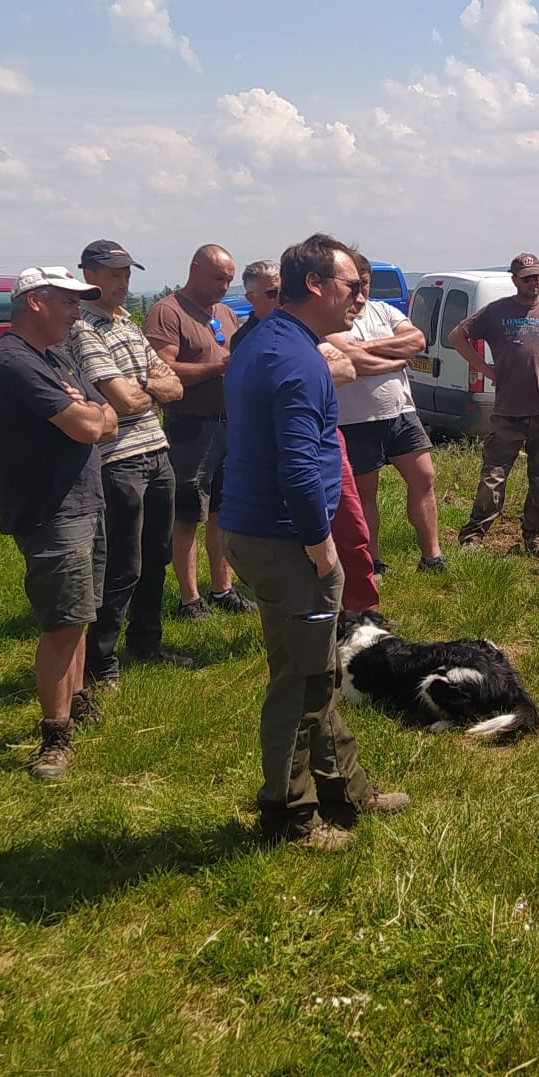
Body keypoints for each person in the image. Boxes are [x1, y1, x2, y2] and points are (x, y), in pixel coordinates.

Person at [219, 234, 409, 850]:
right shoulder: (298, 360)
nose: (362, 296)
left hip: (262, 531)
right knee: (301, 682)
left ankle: (345, 788)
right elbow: (298, 465)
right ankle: (288, 814)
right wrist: (320, 543)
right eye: (353, 285)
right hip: (286, 540)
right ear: (315, 287)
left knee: (317, 671)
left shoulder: (267, 338)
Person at [0, 268, 119, 779]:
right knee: (61, 623)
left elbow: (109, 417)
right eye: (67, 302)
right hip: (51, 510)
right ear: (34, 302)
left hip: (83, 499)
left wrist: (91, 414)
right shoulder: (13, 361)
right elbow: (88, 424)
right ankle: (55, 735)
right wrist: (88, 415)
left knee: (79, 613)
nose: (75, 312)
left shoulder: (55, 358)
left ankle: (77, 699)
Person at [67, 240, 193, 692]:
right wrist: (149, 385)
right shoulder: (82, 328)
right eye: (115, 273)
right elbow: (120, 400)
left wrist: (145, 388)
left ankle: (147, 643)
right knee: (123, 563)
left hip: (156, 451)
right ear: (88, 275)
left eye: (127, 274)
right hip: (118, 458)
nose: (123, 282)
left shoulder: (126, 323)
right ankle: (101, 662)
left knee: (157, 555)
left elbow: (176, 386)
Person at [234, 255, 381, 612]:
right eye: (271, 293)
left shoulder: (304, 335)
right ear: (251, 296)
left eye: (281, 291)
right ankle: (322, 617)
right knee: (311, 542)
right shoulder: (254, 341)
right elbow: (295, 461)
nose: (278, 298)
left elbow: (346, 368)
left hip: (328, 441)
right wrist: (313, 374)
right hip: (295, 456)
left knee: (352, 530)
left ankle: (362, 612)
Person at [449, 254, 539, 557]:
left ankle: (535, 536)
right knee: (494, 473)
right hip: (507, 409)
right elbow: (457, 336)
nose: (534, 283)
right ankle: (474, 535)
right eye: (528, 278)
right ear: (514, 280)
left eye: (538, 277)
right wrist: (485, 369)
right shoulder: (495, 312)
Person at [143, 245, 255, 619]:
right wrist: (215, 369)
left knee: (222, 510)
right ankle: (189, 599)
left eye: (229, 279)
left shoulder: (223, 313)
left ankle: (222, 589)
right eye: (217, 278)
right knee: (188, 513)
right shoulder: (168, 312)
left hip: (227, 425)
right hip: (189, 426)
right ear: (194, 269)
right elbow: (161, 371)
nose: (224, 286)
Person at [331, 251, 446, 574]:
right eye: (353, 285)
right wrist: (393, 359)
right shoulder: (335, 318)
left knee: (424, 477)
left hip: (401, 411)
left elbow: (417, 339)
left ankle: (432, 556)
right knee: (365, 492)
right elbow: (352, 364)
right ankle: (373, 560)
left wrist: (363, 351)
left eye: (364, 284)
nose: (360, 292)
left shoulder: (384, 310)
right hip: (355, 418)